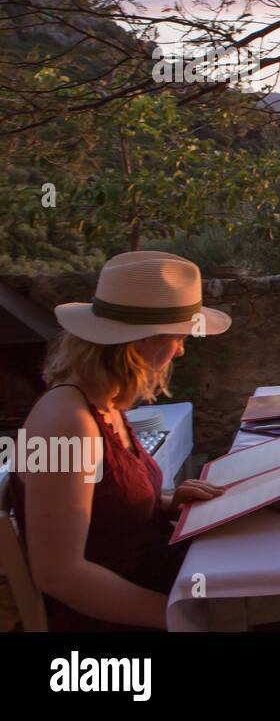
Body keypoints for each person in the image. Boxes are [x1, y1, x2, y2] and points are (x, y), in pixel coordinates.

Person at [12, 251, 230, 630]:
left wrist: (164, 505)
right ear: (135, 342)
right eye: (175, 336)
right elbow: (59, 574)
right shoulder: (64, 422)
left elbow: (102, 513)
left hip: (159, 583)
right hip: (122, 617)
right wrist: (186, 620)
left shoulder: (104, 404)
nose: (181, 348)